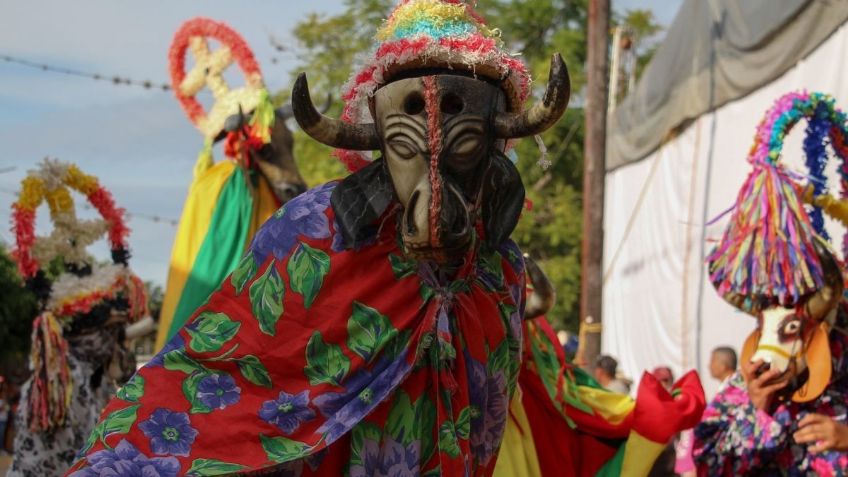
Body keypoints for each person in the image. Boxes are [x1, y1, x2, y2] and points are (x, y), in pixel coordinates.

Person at [65, 1, 572, 475]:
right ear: (380, 130)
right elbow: (226, 360)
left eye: (465, 133)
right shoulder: (316, 225)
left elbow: (486, 413)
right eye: (409, 123)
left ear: (496, 139)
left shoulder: (500, 265)